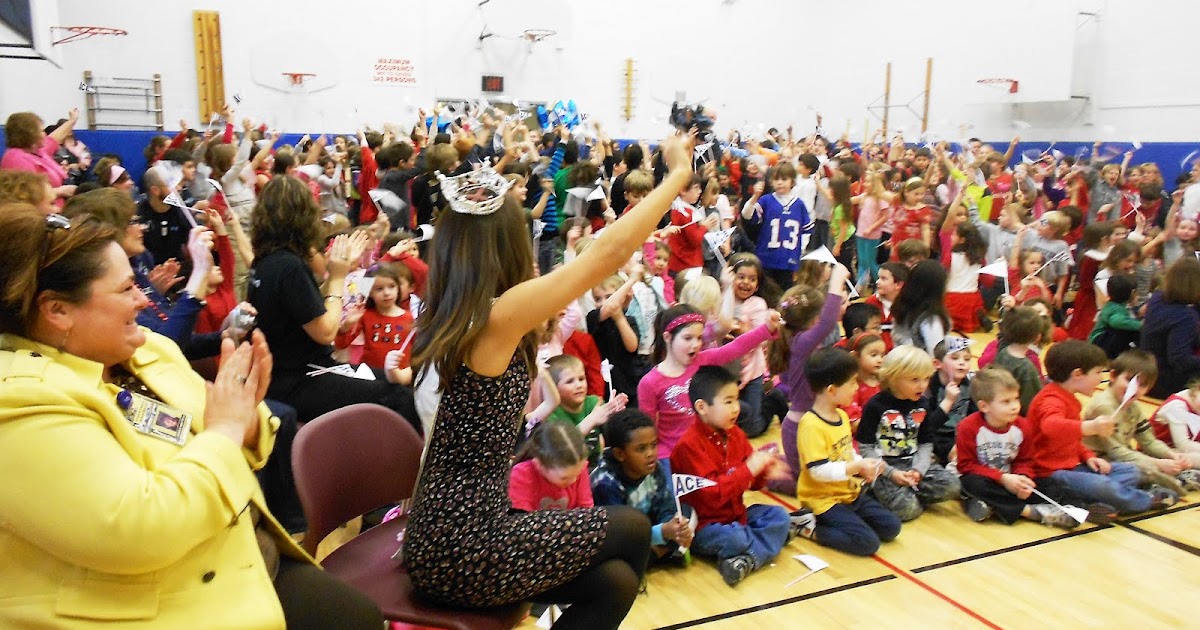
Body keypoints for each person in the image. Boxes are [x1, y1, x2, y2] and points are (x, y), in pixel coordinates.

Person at [0, 206, 381, 628]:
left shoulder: (145, 351)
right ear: (57, 311)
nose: (143, 300)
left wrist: (247, 416)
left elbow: (233, 439)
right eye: (126, 288)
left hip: (229, 556)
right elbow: (141, 531)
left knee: (355, 614)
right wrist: (226, 428)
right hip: (146, 605)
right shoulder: (19, 403)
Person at [404, 134, 693, 630]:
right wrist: (678, 176)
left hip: (453, 529)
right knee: (631, 529)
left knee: (617, 581)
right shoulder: (492, 320)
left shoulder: (454, 315)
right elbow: (606, 255)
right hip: (462, 545)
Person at [247, 176, 418, 427]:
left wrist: (344, 270)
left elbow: (308, 305)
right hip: (299, 378)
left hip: (287, 373)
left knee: (393, 381)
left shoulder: (266, 261)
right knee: (398, 396)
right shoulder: (289, 266)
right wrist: (338, 276)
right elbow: (325, 332)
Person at [669, 366, 795, 586]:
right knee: (735, 537)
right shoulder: (689, 446)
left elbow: (751, 482)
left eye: (737, 400)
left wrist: (765, 472)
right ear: (702, 407)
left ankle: (745, 559)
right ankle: (761, 545)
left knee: (780, 516)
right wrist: (749, 469)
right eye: (728, 402)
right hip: (705, 527)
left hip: (738, 516)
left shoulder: (736, 434)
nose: (736, 408)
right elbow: (712, 496)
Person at [1027, 340, 1176, 514]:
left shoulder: (1070, 399)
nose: (1101, 378)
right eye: (1098, 372)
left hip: (1073, 466)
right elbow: (1051, 426)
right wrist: (1091, 426)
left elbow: (1070, 440)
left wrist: (1088, 456)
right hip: (1048, 474)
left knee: (1130, 471)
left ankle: (1089, 503)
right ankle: (1145, 500)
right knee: (1103, 485)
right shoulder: (1051, 399)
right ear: (1077, 374)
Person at [794, 348, 902, 556]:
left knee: (891, 527)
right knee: (867, 543)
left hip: (849, 493)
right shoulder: (811, 425)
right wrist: (855, 467)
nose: (856, 387)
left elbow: (846, 453)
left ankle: (846, 521)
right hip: (824, 500)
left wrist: (864, 465)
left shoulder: (842, 416)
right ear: (832, 390)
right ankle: (808, 527)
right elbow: (818, 471)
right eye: (852, 382)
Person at [638, 303, 780, 460]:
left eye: (699, 338)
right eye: (687, 338)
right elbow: (647, 429)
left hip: (707, 446)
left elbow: (735, 348)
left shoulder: (702, 360)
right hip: (674, 454)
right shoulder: (649, 382)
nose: (696, 344)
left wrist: (766, 329)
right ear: (667, 337)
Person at [956, 369, 1085, 528]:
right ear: (984, 406)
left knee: (1052, 486)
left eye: (1016, 399)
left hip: (1012, 479)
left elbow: (1025, 460)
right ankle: (1031, 512)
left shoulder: (1023, 426)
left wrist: (1023, 477)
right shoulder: (968, 427)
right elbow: (966, 466)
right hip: (987, 479)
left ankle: (994, 507)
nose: (1015, 406)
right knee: (972, 484)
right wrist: (1002, 478)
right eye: (1006, 402)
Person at [769, 267, 851, 493]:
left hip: (810, 424)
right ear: (815, 319)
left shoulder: (798, 342)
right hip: (799, 428)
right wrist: (836, 281)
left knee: (833, 476)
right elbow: (829, 322)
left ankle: (773, 460)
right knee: (811, 486)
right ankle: (764, 474)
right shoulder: (802, 343)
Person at [855, 346, 961, 521]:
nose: (922, 385)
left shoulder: (923, 404)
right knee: (908, 510)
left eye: (926, 379)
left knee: (953, 485)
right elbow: (865, 448)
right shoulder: (875, 406)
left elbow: (925, 443)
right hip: (884, 467)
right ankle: (877, 492)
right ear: (893, 378)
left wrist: (919, 470)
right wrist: (891, 473)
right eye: (914, 380)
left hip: (913, 463)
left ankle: (907, 491)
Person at [1082, 351, 1200, 494]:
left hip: (1125, 457)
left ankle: (1159, 483)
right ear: (1113, 376)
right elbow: (1116, 451)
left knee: (1161, 463)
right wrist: (1157, 464)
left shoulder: (1134, 407)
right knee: (1135, 471)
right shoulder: (1104, 406)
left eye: (1143, 385)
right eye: (1130, 380)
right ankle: (1156, 486)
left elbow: (1149, 441)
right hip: (1099, 461)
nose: (1136, 389)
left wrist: (1171, 455)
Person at [591, 409, 694, 564]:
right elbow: (619, 533)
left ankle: (657, 553)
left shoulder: (654, 467)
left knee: (686, 513)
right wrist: (664, 532)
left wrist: (675, 527)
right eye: (641, 449)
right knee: (617, 559)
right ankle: (662, 553)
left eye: (653, 445)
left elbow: (665, 507)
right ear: (620, 454)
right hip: (620, 536)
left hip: (647, 529)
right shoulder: (605, 483)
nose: (651, 454)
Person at [544, 354, 629, 467]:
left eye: (581, 379)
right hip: (567, 467)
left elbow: (614, 437)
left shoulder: (593, 403)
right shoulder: (550, 413)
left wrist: (616, 417)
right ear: (553, 388)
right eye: (570, 381)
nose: (578, 385)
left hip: (595, 464)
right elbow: (563, 446)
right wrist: (592, 419)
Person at [1140, 257, 1200, 399]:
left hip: (1147, 370)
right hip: (1165, 381)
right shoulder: (1185, 316)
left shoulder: (1157, 298)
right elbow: (1180, 359)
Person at [509, 420, 595, 512]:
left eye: (578, 474)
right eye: (564, 478)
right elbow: (521, 518)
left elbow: (587, 511)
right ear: (539, 465)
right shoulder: (520, 475)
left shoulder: (578, 468)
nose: (574, 480)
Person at [0, 109, 78, 205]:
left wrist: (72, 120)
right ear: (29, 134)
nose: (45, 134)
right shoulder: (16, 159)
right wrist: (60, 191)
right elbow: (27, 194)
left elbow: (54, 138)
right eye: (41, 131)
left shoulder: (38, 151)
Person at [990, 306, 1046, 415]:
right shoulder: (1027, 368)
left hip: (996, 403)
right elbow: (1031, 404)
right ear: (1037, 338)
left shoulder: (1003, 349)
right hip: (1014, 416)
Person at [891, 259, 951, 356]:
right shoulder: (930, 319)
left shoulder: (901, 307)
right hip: (918, 367)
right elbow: (936, 355)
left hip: (898, 363)